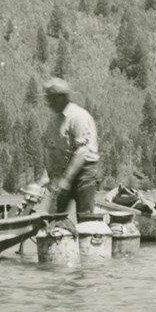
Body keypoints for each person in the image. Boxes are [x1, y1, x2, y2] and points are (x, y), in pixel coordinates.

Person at [31, 78, 101, 217]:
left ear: (61, 97)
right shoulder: (55, 121)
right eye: (48, 98)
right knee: (54, 215)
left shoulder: (78, 116)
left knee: (85, 217)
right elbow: (53, 152)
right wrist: (43, 182)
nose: (48, 103)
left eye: (51, 98)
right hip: (64, 171)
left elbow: (82, 151)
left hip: (85, 173)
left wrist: (66, 180)